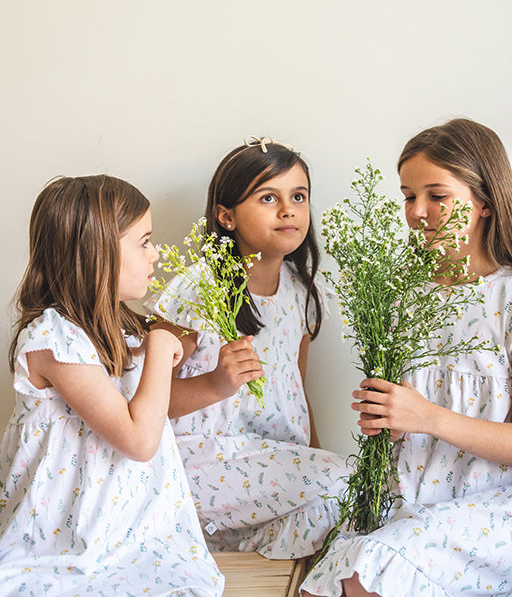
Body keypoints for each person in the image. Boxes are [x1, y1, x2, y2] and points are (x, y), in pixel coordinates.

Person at [301, 118, 512, 597]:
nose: (417, 212)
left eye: (437, 195)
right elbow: (407, 425)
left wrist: (429, 417)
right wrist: (387, 414)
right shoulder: (401, 298)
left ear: (483, 202)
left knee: (365, 575)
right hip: (411, 496)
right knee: (324, 584)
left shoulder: (506, 299)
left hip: (493, 506)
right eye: (408, 196)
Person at [0, 175, 224, 597]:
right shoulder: (54, 340)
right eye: (143, 241)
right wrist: (160, 346)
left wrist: (204, 367)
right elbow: (139, 439)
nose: (155, 254)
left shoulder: (122, 331)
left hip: (126, 525)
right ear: (96, 254)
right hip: (63, 535)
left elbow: (148, 407)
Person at [146, 137, 347, 559]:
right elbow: (145, 400)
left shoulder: (304, 294)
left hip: (271, 466)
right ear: (226, 216)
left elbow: (298, 389)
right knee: (344, 479)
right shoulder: (197, 288)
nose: (288, 209)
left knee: (346, 502)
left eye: (298, 196)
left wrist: (312, 457)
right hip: (201, 464)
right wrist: (215, 385)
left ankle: (225, 555)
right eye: (268, 197)